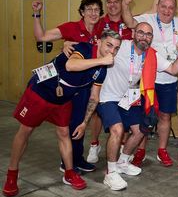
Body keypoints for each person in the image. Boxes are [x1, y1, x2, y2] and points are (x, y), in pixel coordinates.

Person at [2, 30, 121, 197]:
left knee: (64, 132)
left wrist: (84, 122)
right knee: (25, 131)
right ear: (99, 42)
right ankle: (12, 174)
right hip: (41, 92)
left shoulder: (102, 70)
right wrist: (102, 60)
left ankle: (69, 172)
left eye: (116, 48)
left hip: (63, 100)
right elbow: (70, 65)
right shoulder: (84, 48)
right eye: (109, 45)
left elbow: (94, 97)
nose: (112, 51)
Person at [97, 22, 178, 190]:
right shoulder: (121, 46)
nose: (144, 37)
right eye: (141, 33)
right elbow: (100, 46)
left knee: (141, 130)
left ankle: (123, 161)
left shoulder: (152, 55)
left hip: (129, 99)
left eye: (148, 34)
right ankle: (110, 173)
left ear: (152, 38)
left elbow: (174, 69)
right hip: (108, 97)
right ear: (133, 34)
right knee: (117, 129)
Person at [87, 0, 163, 163]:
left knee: (127, 116)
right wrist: (68, 42)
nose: (112, 4)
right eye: (109, 1)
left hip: (127, 79)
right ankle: (94, 145)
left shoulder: (130, 22)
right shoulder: (99, 22)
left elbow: (153, 11)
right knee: (97, 111)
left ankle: (121, 150)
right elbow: (85, 36)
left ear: (122, 3)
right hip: (102, 73)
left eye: (116, 1)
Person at [31, 0, 104, 172]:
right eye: (89, 9)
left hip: (87, 84)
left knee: (79, 122)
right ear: (82, 12)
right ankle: (67, 163)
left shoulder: (101, 28)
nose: (93, 13)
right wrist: (36, 14)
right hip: (67, 85)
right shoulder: (71, 27)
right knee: (69, 124)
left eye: (96, 10)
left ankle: (78, 159)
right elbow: (41, 37)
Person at [122, 0, 178, 167]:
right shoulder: (147, 19)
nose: (167, 10)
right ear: (158, 6)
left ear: (175, 9)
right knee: (144, 117)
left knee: (165, 116)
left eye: (171, 7)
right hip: (147, 80)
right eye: (163, 6)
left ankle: (162, 150)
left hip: (169, 79)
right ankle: (140, 150)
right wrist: (126, 5)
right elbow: (128, 22)